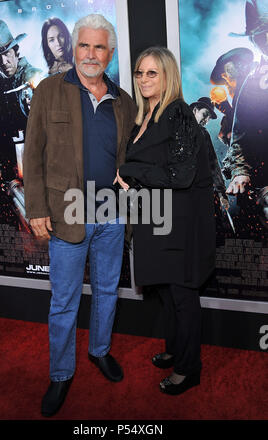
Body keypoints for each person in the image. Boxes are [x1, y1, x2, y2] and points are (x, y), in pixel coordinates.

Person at [23, 14, 136, 417]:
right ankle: (60, 373)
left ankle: (100, 351)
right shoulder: (50, 91)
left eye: (99, 47)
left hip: (111, 216)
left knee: (108, 291)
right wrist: (35, 208)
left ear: (110, 52)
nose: (91, 54)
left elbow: (127, 157)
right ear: (75, 49)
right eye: (84, 46)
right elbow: (31, 153)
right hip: (66, 215)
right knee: (65, 301)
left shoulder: (122, 100)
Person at [116, 47, 216, 395]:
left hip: (181, 223)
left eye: (152, 73)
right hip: (157, 219)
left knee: (183, 295)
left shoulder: (179, 114)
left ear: (167, 75)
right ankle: (175, 349)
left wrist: (130, 170)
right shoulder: (149, 115)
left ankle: (189, 370)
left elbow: (182, 174)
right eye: (140, 73)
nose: (143, 79)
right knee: (168, 293)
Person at [0, 20, 41, 225]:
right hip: (14, 178)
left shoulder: (37, 78)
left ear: (15, 50)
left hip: (44, 175)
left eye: (7, 54)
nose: (4, 61)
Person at [222, 0, 268, 233]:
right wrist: (240, 171)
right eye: (260, 35)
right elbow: (239, 139)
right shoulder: (252, 83)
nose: (266, 41)